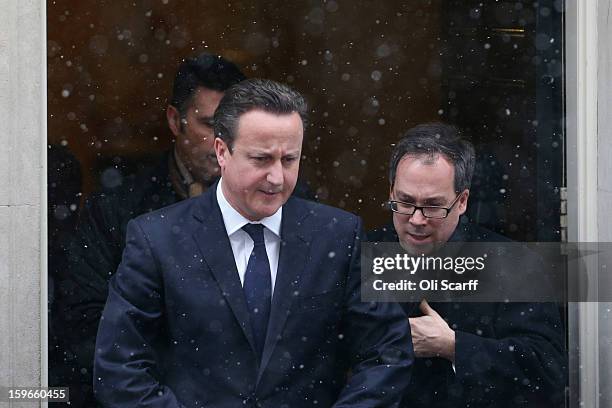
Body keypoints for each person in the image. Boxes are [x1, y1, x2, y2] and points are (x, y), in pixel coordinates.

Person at [93, 78, 414, 407]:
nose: (277, 178)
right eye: (261, 159)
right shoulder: (156, 239)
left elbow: (386, 353)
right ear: (222, 152)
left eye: (289, 160)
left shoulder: (339, 235)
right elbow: (120, 367)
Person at [52, 52, 246, 406]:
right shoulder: (116, 210)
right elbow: (84, 325)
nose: (224, 143)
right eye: (209, 125)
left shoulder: (282, 203)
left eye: (235, 128)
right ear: (175, 121)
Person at [368, 122, 566, 407]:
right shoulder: (362, 253)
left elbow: (548, 370)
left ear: (462, 202)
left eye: (433, 206)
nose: (416, 219)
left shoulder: (515, 265)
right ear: (391, 192)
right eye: (405, 202)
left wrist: (453, 346)